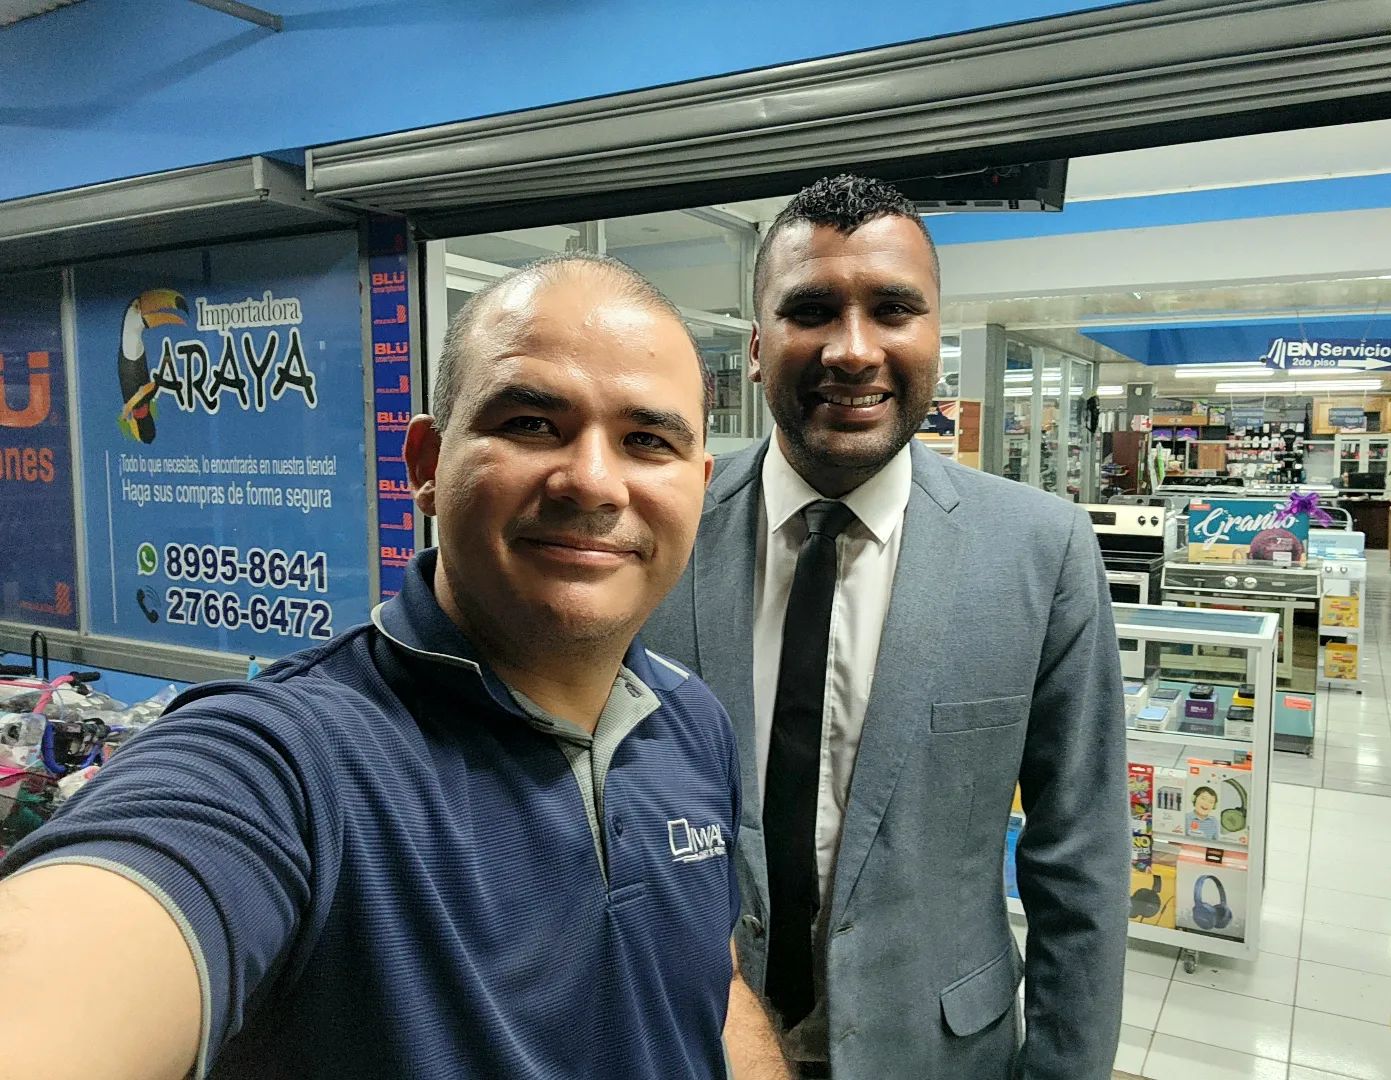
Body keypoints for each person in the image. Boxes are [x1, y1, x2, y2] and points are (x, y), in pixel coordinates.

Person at [0, 253, 787, 1079]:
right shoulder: (287, 763)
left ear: (699, 486)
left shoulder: (691, 722)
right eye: (530, 424)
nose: (592, 482)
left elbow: (711, 983)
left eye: (647, 441)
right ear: (426, 465)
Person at [644, 175, 1130, 1079]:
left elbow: (1082, 862)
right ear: (757, 346)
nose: (854, 350)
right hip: (689, 1038)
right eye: (811, 310)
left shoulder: (1041, 552)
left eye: (894, 310)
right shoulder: (659, 533)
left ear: (936, 336)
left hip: (939, 1051)